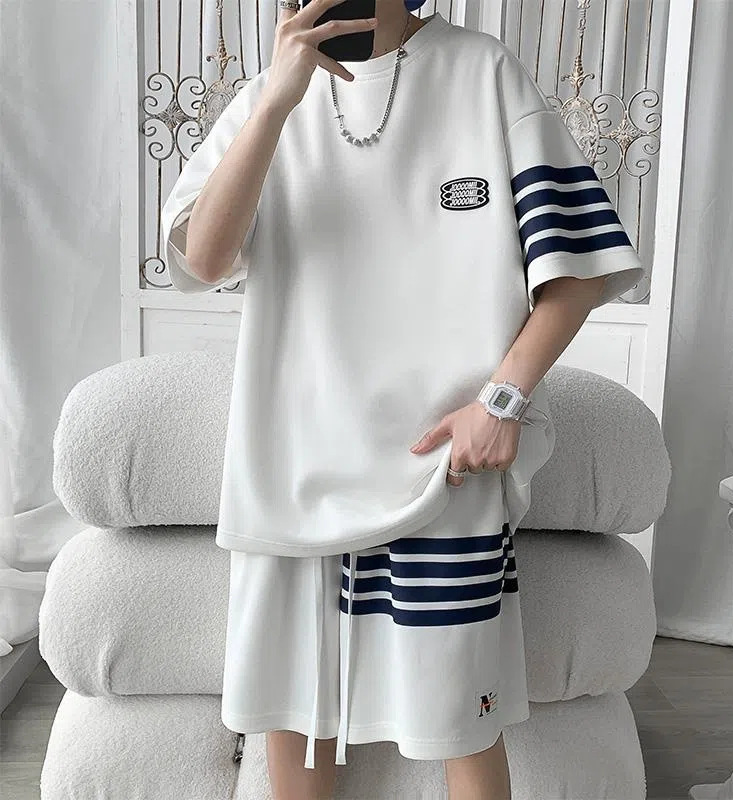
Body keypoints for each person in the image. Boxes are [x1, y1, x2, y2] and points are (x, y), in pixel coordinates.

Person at [160, 0, 645, 797]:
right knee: (297, 733)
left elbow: (580, 268)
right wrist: (276, 103)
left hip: (442, 476)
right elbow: (205, 260)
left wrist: (502, 401)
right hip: (292, 474)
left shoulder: (483, 74)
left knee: (463, 727)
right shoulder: (267, 96)